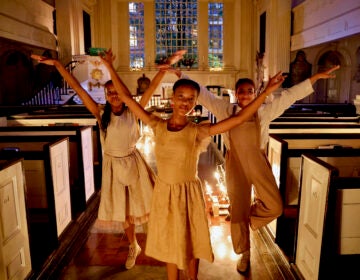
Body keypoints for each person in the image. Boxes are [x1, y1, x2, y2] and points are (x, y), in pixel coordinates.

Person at [99, 49, 286, 280]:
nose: (185, 102)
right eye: (181, 97)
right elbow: (127, 98)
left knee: (191, 241)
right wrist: (108, 66)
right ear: (172, 98)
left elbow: (238, 119)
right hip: (164, 193)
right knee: (170, 242)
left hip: (189, 193)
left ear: (196, 102)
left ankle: (193, 278)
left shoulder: (198, 131)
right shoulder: (156, 124)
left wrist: (266, 92)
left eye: (190, 99)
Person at [173, 64, 340, 274]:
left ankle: (247, 221)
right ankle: (244, 252)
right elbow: (204, 95)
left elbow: (289, 96)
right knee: (238, 207)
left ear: (255, 93)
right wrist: (181, 74)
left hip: (258, 160)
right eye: (241, 91)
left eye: (249, 91)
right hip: (235, 162)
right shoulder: (225, 109)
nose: (245, 95)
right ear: (235, 93)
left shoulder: (264, 110)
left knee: (275, 206)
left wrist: (315, 77)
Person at [31, 50, 185, 270]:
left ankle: (165, 241)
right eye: (109, 92)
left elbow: (150, 88)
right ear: (104, 96)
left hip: (133, 163)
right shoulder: (100, 112)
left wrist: (165, 68)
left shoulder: (133, 110)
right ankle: (134, 245)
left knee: (151, 205)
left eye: (117, 92)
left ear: (123, 93)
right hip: (113, 166)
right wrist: (57, 64)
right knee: (125, 213)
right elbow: (76, 86)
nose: (114, 95)